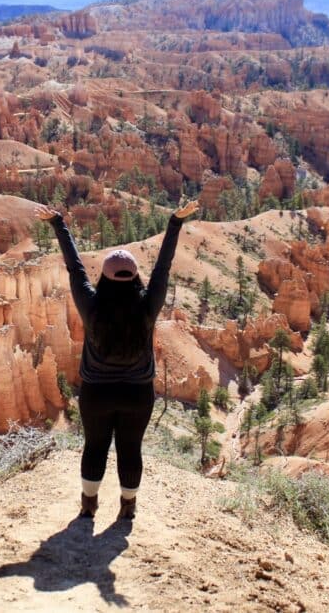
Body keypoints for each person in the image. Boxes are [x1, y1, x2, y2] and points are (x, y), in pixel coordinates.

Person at [35, 199, 199, 520]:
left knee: (95, 447)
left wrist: (58, 223)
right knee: (130, 449)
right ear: (135, 277)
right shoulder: (147, 307)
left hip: (96, 392)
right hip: (138, 393)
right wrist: (174, 221)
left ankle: (89, 505)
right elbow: (163, 268)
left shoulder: (91, 306)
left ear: (106, 279)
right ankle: (128, 507)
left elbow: (75, 268)